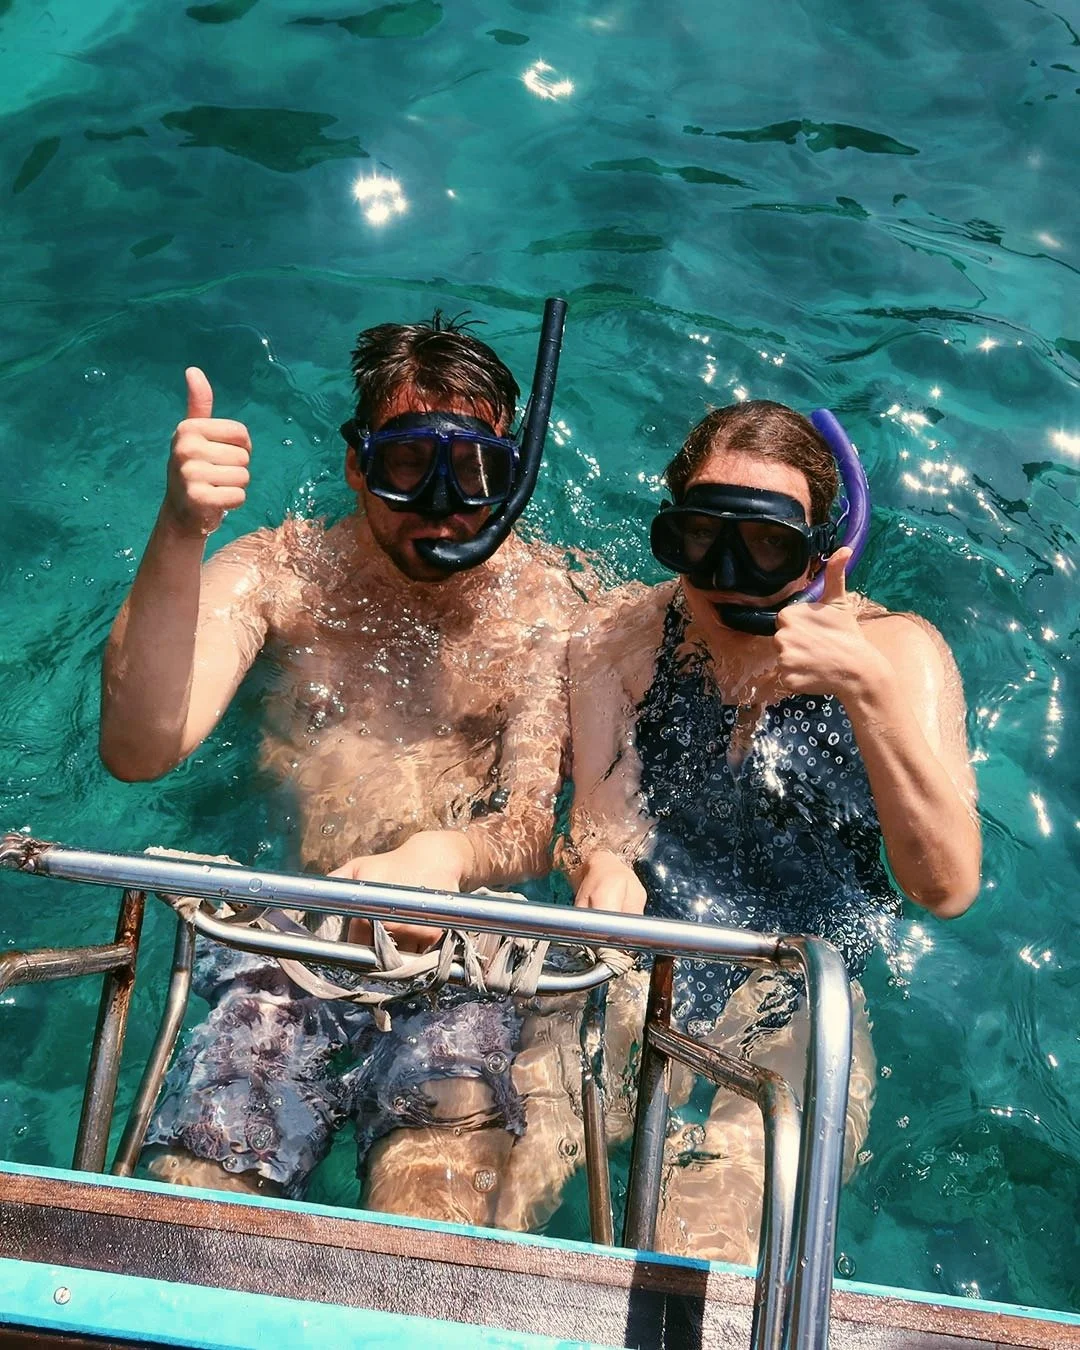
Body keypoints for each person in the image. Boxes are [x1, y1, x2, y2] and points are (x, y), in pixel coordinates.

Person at [99, 307, 589, 1216]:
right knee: (200, 1195)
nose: (444, 505)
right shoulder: (284, 578)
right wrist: (179, 529)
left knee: (432, 1211)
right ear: (358, 463)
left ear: (515, 474)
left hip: (460, 956)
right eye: (409, 465)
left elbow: (531, 824)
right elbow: (138, 749)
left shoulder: (546, 613)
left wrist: (446, 857)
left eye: (477, 471)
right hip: (291, 942)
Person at [564, 399, 981, 1263]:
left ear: (821, 551)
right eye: (698, 538)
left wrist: (864, 691)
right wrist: (600, 862)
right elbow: (602, 826)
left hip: (806, 977)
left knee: (710, 1236)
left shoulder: (897, 653)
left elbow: (948, 888)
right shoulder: (621, 639)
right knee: (504, 1145)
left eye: (765, 547)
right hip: (655, 955)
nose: (725, 574)